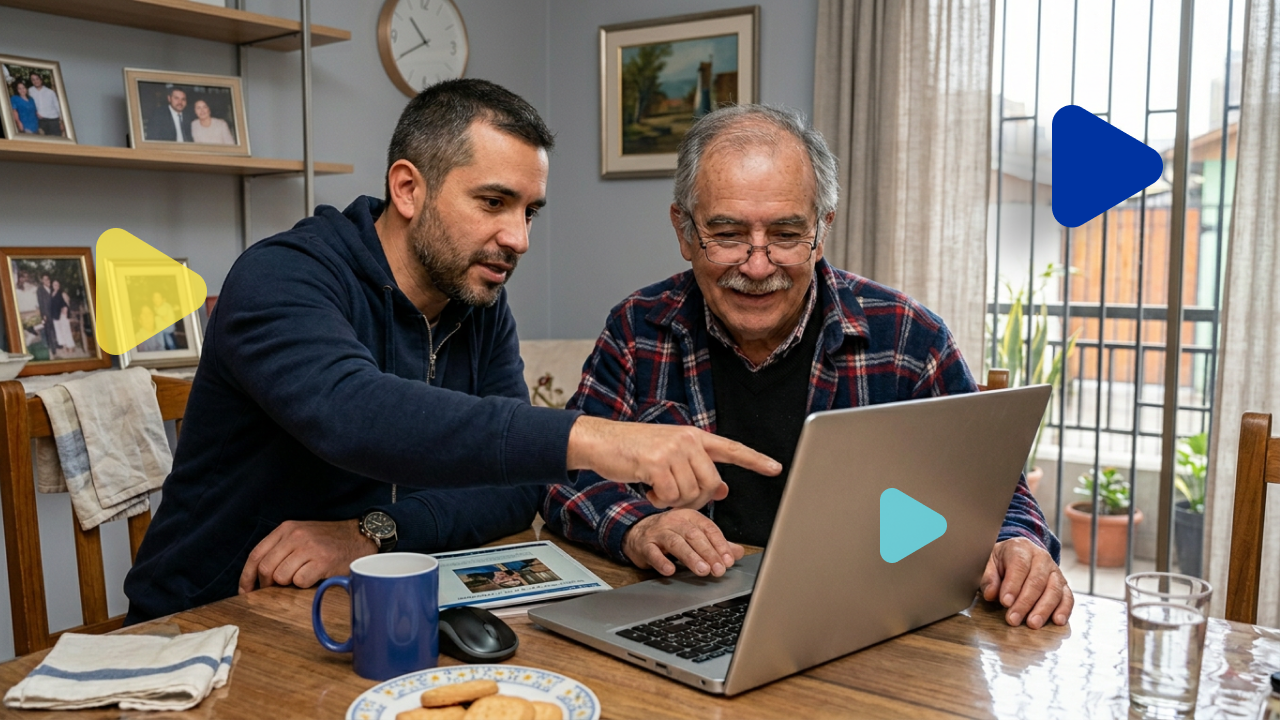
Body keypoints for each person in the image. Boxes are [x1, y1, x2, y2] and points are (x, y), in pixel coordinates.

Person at [122, 79, 780, 623]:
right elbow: (355, 415)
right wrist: (597, 438)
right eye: (493, 202)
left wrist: (371, 532)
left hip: (352, 602)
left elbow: (515, 487)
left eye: (529, 211)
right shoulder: (281, 277)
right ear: (408, 189)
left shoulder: (479, 303)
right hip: (204, 615)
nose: (517, 237)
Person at [543, 105, 1075, 631]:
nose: (756, 265)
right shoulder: (638, 328)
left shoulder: (911, 336)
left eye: (786, 235)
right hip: (686, 610)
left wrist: (1017, 544)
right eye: (726, 235)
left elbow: (995, 489)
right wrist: (641, 526)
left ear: (821, 231)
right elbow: (564, 475)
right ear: (684, 231)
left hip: (866, 621)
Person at [26, 73, 63, 137]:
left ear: (41, 79)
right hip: (40, 121)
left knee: (56, 141)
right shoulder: (29, 91)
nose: (35, 81)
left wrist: (61, 121)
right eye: (33, 80)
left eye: (37, 79)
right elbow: (28, 105)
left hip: (53, 120)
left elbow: (57, 106)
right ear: (31, 81)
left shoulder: (50, 92)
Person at [50, 281, 75, 353]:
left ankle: (70, 346)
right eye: (54, 284)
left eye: (57, 284)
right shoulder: (51, 294)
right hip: (55, 316)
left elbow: (68, 303)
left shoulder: (62, 293)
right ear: (52, 285)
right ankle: (64, 346)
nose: (56, 286)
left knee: (66, 331)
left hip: (62, 315)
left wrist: (66, 308)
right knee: (59, 332)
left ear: (59, 285)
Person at [35, 273, 54, 356]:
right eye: (45, 279)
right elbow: (41, 303)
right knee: (49, 330)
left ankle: (55, 344)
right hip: (46, 313)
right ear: (42, 280)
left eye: (48, 279)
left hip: (54, 313)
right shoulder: (40, 290)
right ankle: (52, 348)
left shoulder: (51, 288)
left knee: (54, 329)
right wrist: (44, 315)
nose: (47, 280)